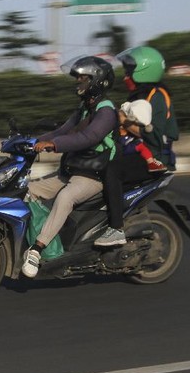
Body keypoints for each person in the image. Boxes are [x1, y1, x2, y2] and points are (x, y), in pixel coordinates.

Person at [22, 55, 118, 278]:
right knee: (28, 190)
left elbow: (88, 137)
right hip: (73, 170)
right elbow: (61, 132)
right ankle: (51, 235)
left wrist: (53, 145)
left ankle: (37, 249)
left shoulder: (106, 111)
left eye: (83, 78)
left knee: (65, 198)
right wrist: (31, 142)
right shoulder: (85, 107)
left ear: (97, 81)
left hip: (94, 175)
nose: (78, 82)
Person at [94, 46, 179, 247]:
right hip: (135, 152)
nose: (126, 76)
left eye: (129, 71)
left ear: (143, 71)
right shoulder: (139, 95)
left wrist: (123, 121)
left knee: (112, 170)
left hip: (154, 158)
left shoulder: (157, 96)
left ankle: (115, 229)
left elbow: (155, 135)